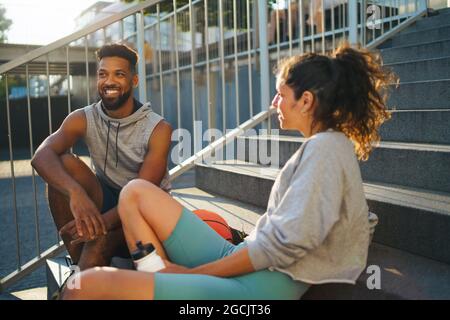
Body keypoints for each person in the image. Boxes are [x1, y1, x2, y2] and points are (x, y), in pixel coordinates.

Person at [61, 43, 391, 300]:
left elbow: (280, 249)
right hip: (247, 258)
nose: (274, 103)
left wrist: (194, 275)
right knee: (135, 191)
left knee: (80, 287)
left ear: (305, 101)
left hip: (262, 287)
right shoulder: (328, 146)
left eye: (281, 94)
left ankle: (164, 282)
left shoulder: (324, 150)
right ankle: (156, 275)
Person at [31, 43, 172, 270]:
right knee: (65, 163)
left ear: (134, 81)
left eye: (119, 74)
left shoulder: (158, 128)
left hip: (145, 213)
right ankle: (79, 265)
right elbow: (41, 156)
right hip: (108, 200)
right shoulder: (84, 117)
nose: (109, 82)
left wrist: (95, 226)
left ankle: (88, 273)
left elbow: (141, 194)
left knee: (96, 245)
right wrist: (76, 193)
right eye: (103, 74)